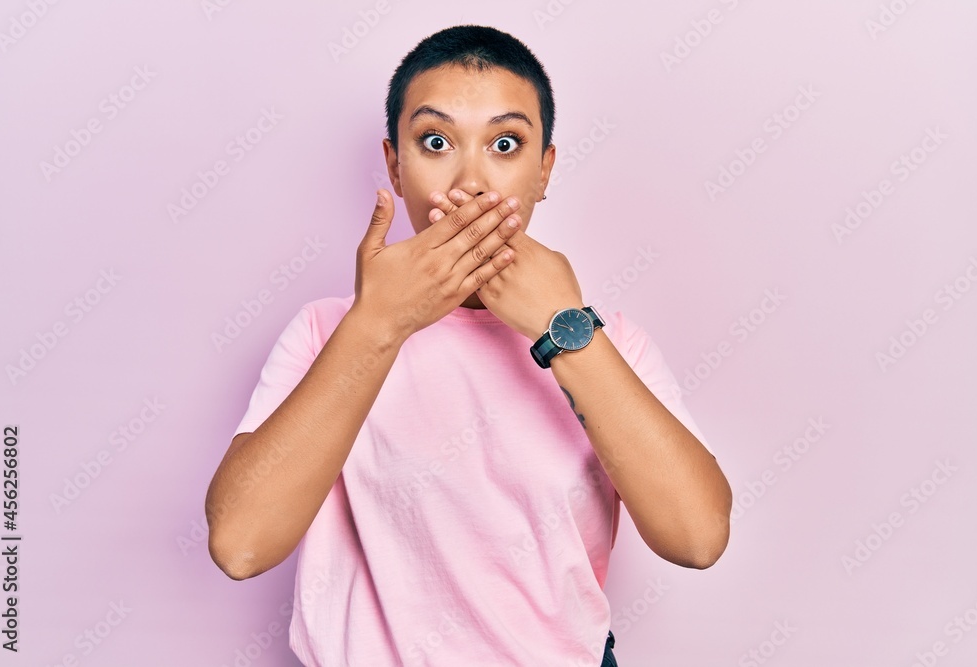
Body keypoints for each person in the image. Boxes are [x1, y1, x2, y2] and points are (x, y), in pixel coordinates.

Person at [205, 24, 731, 667]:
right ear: (396, 165)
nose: (471, 183)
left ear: (544, 170)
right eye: (435, 142)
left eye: (505, 144)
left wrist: (564, 328)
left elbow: (698, 537)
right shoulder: (324, 332)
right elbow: (241, 545)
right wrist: (380, 323)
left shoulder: (609, 342)